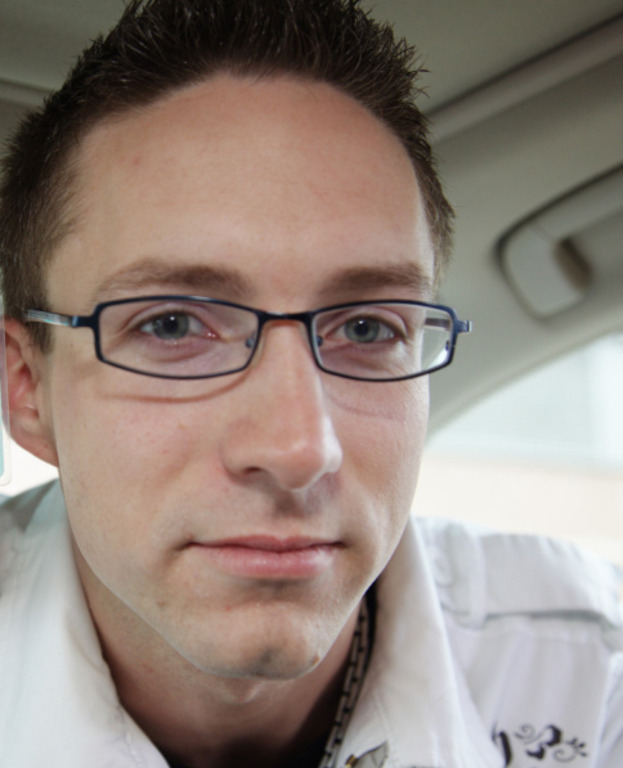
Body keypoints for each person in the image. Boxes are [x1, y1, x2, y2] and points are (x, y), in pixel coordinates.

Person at [0, 1, 621, 766]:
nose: (299, 449)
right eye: (171, 325)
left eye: (366, 329)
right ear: (28, 388)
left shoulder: (590, 684)